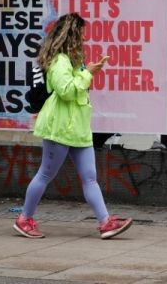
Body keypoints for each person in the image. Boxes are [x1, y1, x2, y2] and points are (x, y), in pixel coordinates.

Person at [14, 13, 132, 240]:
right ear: (73, 36)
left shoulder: (72, 62)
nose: (85, 39)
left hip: (78, 130)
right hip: (59, 128)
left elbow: (76, 89)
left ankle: (106, 223)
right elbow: (66, 91)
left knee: (90, 177)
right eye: (82, 35)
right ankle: (24, 219)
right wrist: (88, 73)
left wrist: (86, 70)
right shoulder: (59, 61)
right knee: (45, 174)